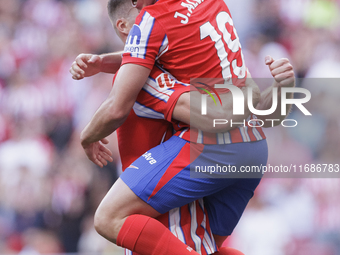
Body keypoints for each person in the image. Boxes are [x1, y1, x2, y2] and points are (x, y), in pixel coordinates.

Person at [78, 0, 295, 254]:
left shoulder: (148, 62)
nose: (140, 5)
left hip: (179, 201)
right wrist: (281, 90)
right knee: (212, 248)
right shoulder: (204, 29)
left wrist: (87, 136)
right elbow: (260, 112)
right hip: (250, 147)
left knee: (107, 217)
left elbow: (118, 107)